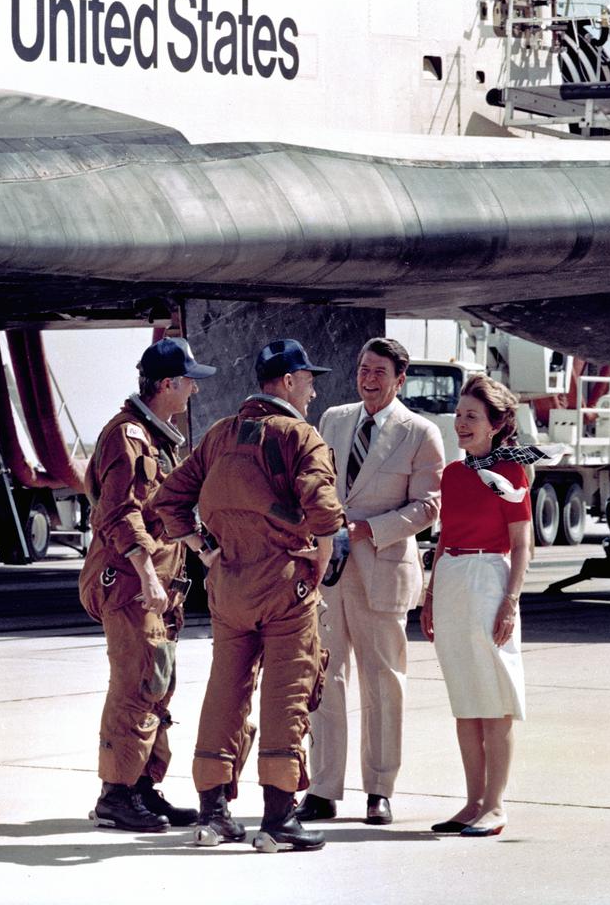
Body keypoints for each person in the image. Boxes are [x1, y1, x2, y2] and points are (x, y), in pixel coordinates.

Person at [152, 338, 345, 852]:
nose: (312, 389)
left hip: (229, 584)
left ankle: (214, 816)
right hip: (285, 585)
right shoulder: (300, 436)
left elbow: (168, 500)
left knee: (225, 690)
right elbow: (324, 512)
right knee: (287, 690)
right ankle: (279, 820)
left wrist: (204, 547)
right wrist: (320, 561)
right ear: (287, 382)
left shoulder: (220, 434)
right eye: (307, 379)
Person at [296, 337, 444, 826]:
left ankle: (380, 789)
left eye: (379, 370)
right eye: (363, 368)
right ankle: (322, 788)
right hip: (330, 573)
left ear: (400, 378)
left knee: (383, 684)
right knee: (326, 676)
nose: (369, 378)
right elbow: (315, 484)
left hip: (381, 568)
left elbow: (428, 506)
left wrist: (364, 528)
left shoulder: (420, 432)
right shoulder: (334, 420)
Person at [78, 336, 216, 832]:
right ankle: (116, 794)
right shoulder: (127, 436)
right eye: (189, 384)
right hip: (133, 584)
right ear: (167, 385)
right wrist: (143, 573)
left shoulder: (155, 438)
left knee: (158, 684)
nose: (194, 393)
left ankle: (141, 786)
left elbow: (165, 509)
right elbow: (119, 513)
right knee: (137, 682)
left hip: (158, 586)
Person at [420, 373, 532, 838]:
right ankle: (471, 803)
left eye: (471, 416)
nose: (461, 423)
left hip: (490, 578)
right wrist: (428, 594)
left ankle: (495, 805)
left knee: (494, 698)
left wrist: (510, 601)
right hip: (450, 577)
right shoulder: (452, 474)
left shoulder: (511, 472)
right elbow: (445, 536)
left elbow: (522, 544)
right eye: (459, 415)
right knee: (466, 700)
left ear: (495, 424)